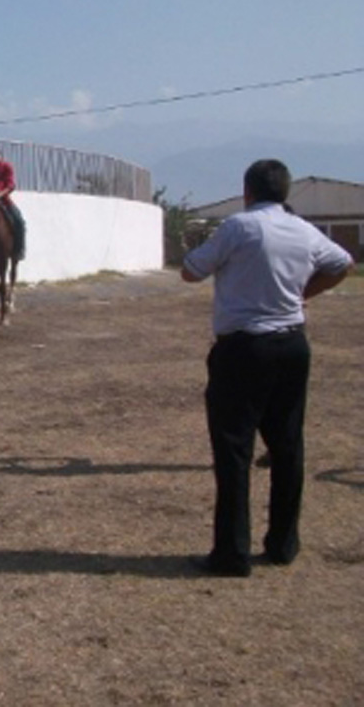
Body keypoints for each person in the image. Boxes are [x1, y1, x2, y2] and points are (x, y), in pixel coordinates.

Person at [181, 159, 352, 578]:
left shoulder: (238, 227)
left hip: (244, 347)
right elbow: (342, 262)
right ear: (285, 193)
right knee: (288, 445)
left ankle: (232, 553)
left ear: (248, 191)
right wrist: (302, 293)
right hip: (292, 344)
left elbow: (190, 272)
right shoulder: (303, 229)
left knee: (234, 450)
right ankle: (282, 543)